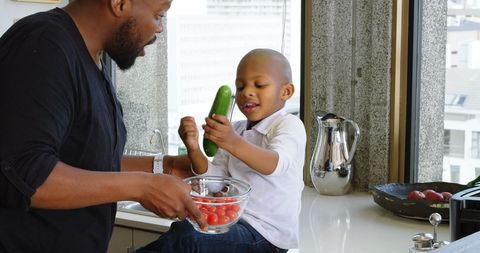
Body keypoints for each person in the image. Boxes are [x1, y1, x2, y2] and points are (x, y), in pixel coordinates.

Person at [0, 0, 206, 252]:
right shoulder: (43, 44)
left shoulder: (92, 59)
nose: (160, 29)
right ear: (119, 3)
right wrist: (142, 187)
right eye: (158, 15)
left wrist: (163, 167)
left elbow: (86, 160)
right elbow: (24, 174)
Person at [138, 48, 307, 253]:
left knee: (189, 240)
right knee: (182, 230)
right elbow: (216, 180)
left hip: (266, 236)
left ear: (286, 92)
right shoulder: (236, 129)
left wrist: (231, 141)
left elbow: (275, 164)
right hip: (232, 221)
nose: (247, 92)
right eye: (240, 86)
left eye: (259, 85)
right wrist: (194, 149)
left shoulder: (288, 125)